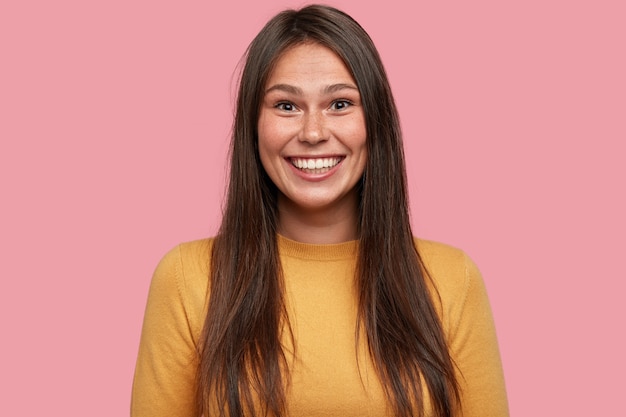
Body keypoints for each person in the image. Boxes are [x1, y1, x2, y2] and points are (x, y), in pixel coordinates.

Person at [131, 5, 509, 417]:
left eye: (340, 104)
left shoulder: (453, 281)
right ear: (252, 125)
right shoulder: (188, 278)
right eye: (286, 106)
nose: (313, 133)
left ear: (375, 121)